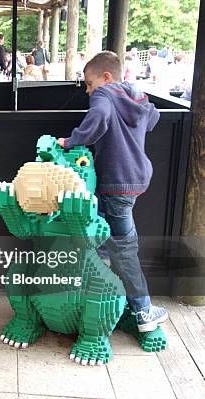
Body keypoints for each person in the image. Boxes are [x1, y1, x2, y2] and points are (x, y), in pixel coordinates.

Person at [56, 51, 167, 333]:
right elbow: (152, 118)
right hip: (135, 179)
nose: (88, 90)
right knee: (105, 239)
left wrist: (71, 140)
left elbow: (100, 117)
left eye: (89, 83)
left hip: (116, 183)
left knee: (124, 247)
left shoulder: (104, 96)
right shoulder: (137, 96)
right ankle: (102, 293)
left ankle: (142, 311)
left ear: (106, 78)